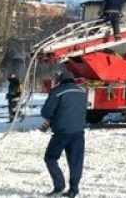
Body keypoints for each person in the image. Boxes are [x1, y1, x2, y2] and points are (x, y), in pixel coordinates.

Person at [40, 70, 86, 198]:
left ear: (60, 80)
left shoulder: (57, 92)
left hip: (61, 132)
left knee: (50, 158)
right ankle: (73, 190)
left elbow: (46, 112)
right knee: (76, 162)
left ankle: (59, 186)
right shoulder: (82, 92)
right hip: (78, 132)